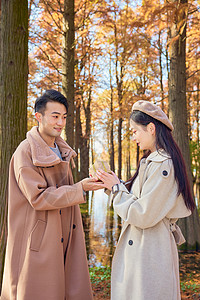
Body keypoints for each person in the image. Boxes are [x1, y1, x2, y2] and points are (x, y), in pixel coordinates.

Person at [1, 89, 104, 300]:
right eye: (55, 116)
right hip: (39, 242)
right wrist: (80, 188)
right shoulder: (25, 151)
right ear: (39, 116)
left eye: (64, 117)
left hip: (65, 233)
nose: (60, 122)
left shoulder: (61, 149)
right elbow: (38, 197)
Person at [96, 100, 195, 300]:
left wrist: (116, 188)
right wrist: (111, 185)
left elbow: (143, 214)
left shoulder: (163, 165)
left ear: (150, 128)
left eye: (135, 131)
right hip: (145, 249)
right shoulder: (152, 161)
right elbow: (137, 198)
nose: (134, 138)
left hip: (150, 252)